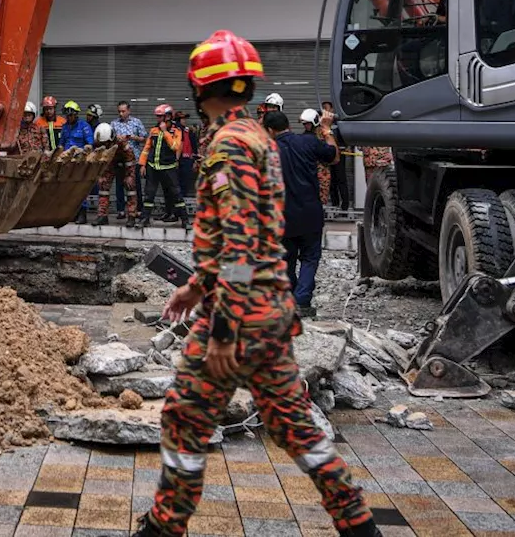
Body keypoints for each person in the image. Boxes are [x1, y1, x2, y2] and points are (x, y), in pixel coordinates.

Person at [132, 29, 378, 537]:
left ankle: (163, 526)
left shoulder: (227, 146)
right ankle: (359, 526)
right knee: (296, 427)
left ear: (201, 87)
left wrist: (221, 326)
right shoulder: (257, 138)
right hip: (271, 313)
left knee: (185, 418)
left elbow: (241, 244)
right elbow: (248, 235)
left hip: (240, 317)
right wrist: (196, 286)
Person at [266, 109, 338, 319]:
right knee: (310, 257)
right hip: (310, 212)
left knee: (286, 257)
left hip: (282, 215)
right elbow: (333, 157)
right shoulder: (308, 142)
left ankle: (291, 298)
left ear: (270, 130)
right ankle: (302, 299)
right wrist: (326, 130)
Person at [140, 104, 188, 229]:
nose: (158, 119)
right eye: (157, 116)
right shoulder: (153, 130)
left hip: (169, 168)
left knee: (176, 194)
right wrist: (142, 164)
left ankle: (185, 220)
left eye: (160, 116)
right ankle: (144, 219)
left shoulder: (176, 131)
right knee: (149, 194)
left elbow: (175, 147)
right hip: (153, 167)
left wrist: (165, 132)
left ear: (168, 117)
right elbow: (147, 148)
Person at [93, 123, 137, 228]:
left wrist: (130, 175)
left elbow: (130, 160)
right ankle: (102, 216)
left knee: (130, 187)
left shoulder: (122, 143)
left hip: (125, 164)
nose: (105, 145)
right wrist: (100, 174)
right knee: (103, 185)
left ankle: (131, 216)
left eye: (106, 143)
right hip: (110, 164)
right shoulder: (99, 142)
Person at [60, 101, 94, 223]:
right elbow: (61, 144)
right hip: (67, 162)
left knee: (80, 188)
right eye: (67, 116)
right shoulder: (65, 127)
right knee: (68, 188)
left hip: (80, 162)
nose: (68, 118)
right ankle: (72, 213)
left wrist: (83, 150)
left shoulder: (84, 126)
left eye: (70, 115)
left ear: (76, 114)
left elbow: (90, 143)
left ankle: (82, 214)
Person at [111, 102, 146, 212]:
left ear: (129, 111)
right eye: (119, 111)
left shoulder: (136, 122)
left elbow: (145, 139)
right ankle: (121, 210)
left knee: (135, 185)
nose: (121, 114)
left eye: (123, 111)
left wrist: (133, 137)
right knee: (119, 185)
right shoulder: (113, 124)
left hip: (133, 159)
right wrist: (116, 139)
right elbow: (108, 140)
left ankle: (138, 209)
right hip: (119, 158)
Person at [322, 101, 352, 211]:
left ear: (332, 110)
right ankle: (334, 203)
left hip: (340, 154)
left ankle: (345, 205)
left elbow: (346, 136)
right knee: (331, 180)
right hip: (327, 155)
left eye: (327, 108)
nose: (325, 111)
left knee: (341, 179)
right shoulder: (322, 122)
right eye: (323, 109)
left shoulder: (339, 122)